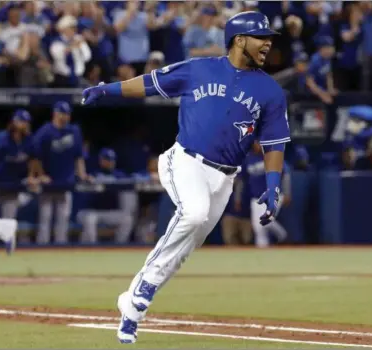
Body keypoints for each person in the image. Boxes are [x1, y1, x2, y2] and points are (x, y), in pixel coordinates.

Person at [82, 11, 290, 344]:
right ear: (239, 40)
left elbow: (274, 142)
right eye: (260, 37)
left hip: (225, 178)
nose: (267, 43)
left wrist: (273, 184)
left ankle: (132, 304)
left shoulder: (270, 91)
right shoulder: (199, 67)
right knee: (193, 214)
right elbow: (150, 84)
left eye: (268, 38)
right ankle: (145, 290)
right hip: (185, 161)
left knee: (184, 248)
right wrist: (108, 90)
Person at [31, 101, 92, 244]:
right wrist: (40, 175)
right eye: (62, 114)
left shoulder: (74, 131)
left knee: (63, 220)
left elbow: (78, 156)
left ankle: (60, 248)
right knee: (45, 219)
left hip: (66, 183)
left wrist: (82, 174)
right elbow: (36, 157)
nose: (65, 117)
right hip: (48, 183)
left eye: (67, 114)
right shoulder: (45, 132)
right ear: (55, 114)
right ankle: (42, 249)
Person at [0, 110, 35, 221]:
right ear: (15, 122)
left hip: (12, 188)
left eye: (27, 122)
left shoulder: (28, 140)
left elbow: (33, 159)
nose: (26, 125)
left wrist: (31, 175)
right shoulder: (1, 138)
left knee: (9, 223)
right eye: (22, 121)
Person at [77, 148, 134, 244]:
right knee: (90, 219)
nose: (110, 162)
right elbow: (80, 181)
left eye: (112, 160)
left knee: (127, 219)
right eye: (107, 159)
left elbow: (133, 179)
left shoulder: (119, 175)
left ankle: (119, 246)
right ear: (101, 160)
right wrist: (89, 181)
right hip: (93, 211)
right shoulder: (94, 174)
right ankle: (92, 248)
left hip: (110, 212)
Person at [244, 142, 290, 247]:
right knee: (258, 227)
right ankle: (262, 251)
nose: (258, 145)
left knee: (265, 221)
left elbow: (286, 173)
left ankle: (282, 235)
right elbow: (247, 174)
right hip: (256, 197)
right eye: (256, 143)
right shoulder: (249, 158)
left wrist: (287, 193)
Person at [305, 36, 338, 105]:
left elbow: (328, 75)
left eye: (331, 47)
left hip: (321, 89)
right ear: (321, 49)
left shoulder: (327, 58)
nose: (331, 50)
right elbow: (310, 83)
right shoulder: (314, 61)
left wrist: (330, 89)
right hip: (310, 93)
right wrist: (322, 95)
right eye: (328, 48)